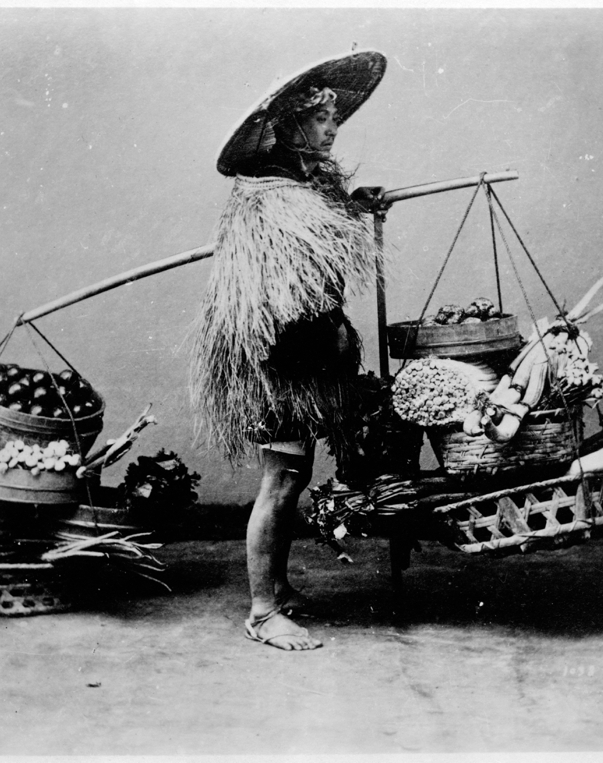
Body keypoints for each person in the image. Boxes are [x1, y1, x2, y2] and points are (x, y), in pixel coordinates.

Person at [190, 50, 389, 651]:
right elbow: (304, 274)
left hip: (300, 355)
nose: (334, 129)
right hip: (276, 360)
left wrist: (357, 206)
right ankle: (260, 611)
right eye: (323, 119)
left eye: (335, 119)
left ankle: (277, 588)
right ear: (293, 125)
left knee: (293, 476)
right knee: (279, 482)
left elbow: (327, 237)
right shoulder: (269, 198)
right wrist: (354, 220)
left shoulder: (300, 188)